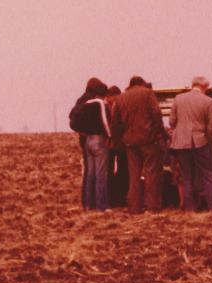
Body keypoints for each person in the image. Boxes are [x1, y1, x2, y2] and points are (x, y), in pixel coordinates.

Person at [111, 76, 164, 213]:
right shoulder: (147, 93)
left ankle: (135, 207)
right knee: (150, 172)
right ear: (141, 83)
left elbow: (115, 121)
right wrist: (158, 131)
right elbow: (156, 112)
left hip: (130, 142)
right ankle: (152, 206)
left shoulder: (121, 98)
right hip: (148, 140)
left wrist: (119, 139)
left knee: (133, 175)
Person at [168, 76, 212, 211]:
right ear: (204, 87)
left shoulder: (178, 99)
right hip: (200, 141)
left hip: (181, 142)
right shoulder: (208, 101)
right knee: (208, 174)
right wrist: (209, 139)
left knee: (186, 176)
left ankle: (189, 208)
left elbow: (172, 121)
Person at [69, 78, 111, 211]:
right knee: (101, 174)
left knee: (90, 173)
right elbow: (105, 122)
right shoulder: (99, 103)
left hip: (87, 140)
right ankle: (101, 205)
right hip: (99, 140)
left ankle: (87, 204)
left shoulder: (85, 103)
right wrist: (110, 135)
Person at [106, 85, 129, 208]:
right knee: (121, 170)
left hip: (113, 144)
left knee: (117, 171)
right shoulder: (114, 106)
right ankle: (117, 197)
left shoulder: (110, 106)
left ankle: (116, 197)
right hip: (118, 144)